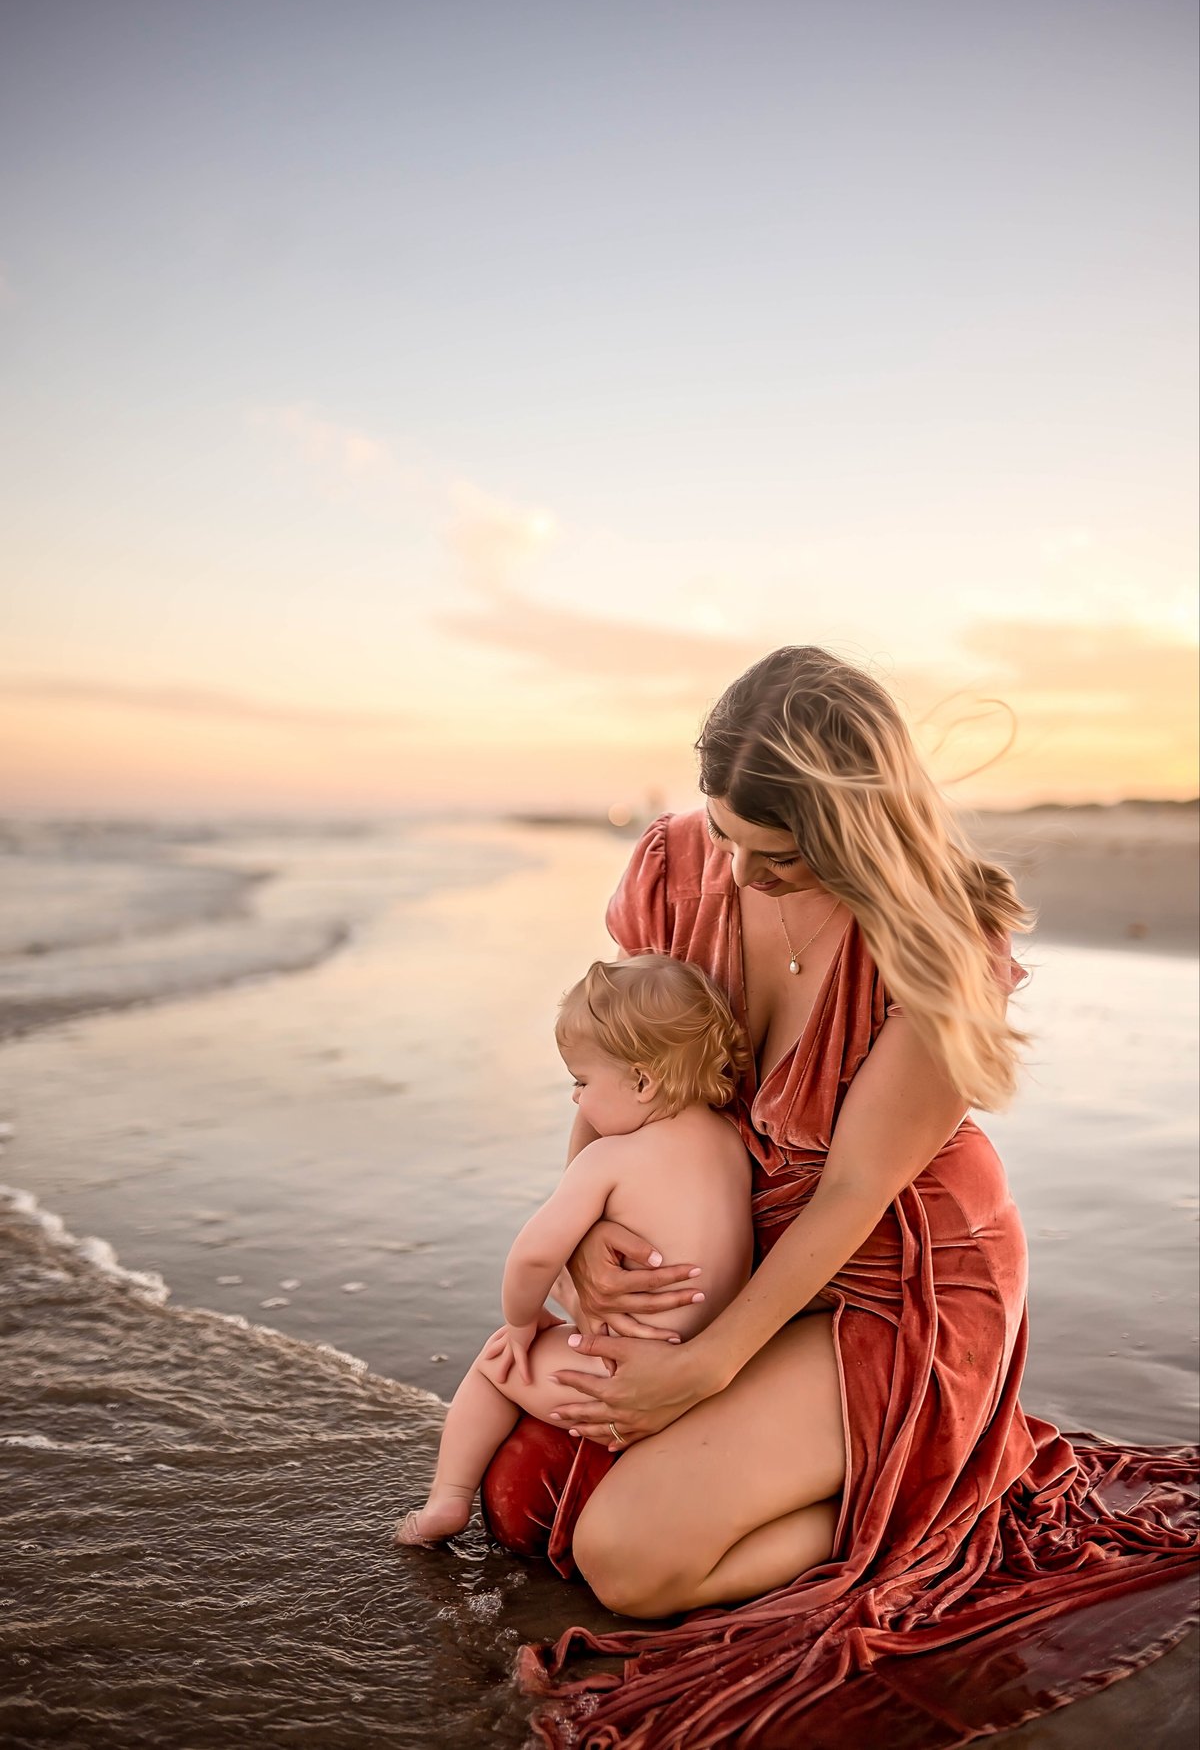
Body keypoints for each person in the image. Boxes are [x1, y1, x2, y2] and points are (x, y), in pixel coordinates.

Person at [479, 645, 1198, 1750]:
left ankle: (912, 1514)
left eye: (781, 860)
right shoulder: (683, 865)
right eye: (728, 836)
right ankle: (867, 1485)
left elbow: (858, 1187)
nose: (744, 876)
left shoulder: (936, 941)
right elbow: (619, 1066)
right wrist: (583, 1234)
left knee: (625, 1562)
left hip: (891, 1278)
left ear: (856, 832)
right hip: (733, 1246)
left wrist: (706, 1369)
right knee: (528, 1495)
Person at [395, 953, 754, 1548]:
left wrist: (520, 1320)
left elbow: (534, 1257)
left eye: (581, 1083)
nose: (576, 1101)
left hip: (618, 1376)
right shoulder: (729, 1143)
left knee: (493, 1365)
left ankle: (445, 1504)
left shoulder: (610, 1159)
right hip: (700, 1370)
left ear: (643, 1081)